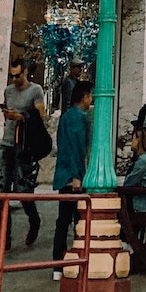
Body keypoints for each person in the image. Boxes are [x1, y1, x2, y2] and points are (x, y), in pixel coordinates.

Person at [0, 58, 46, 247]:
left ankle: (33, 219)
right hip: (7, 142)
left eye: (18, 75)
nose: (15, 79)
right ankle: (3, 239)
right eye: (12, 76)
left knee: (23, 190)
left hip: (24, 146)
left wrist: (20, 116)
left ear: (25, 73)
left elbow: (40, 116)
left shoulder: (35, 90)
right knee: (2, 192)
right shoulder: (8, 91)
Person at [51, 79, 93, 278]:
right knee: (78, 221)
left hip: (63, 173)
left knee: (63, 221)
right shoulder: (80, 117)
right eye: (90, 96)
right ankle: (76, 261)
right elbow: (77, 147)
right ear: (84, 97)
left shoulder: (67, 116)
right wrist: (78, 175)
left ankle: (58, 265)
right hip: (74, 175)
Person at [120, 126, 146, 215]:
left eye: (133, 139)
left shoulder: (143, 160)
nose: (132, 142)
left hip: (144, 204)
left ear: (139, 140)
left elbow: (129, 182)